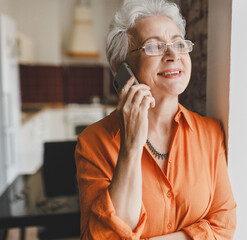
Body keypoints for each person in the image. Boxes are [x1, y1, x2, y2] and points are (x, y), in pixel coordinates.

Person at [75, 0, 236, 239]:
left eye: (179, 44)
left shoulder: (211, 133)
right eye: (153, 47)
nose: (173, 54)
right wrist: (130, 149)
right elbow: (103, 236)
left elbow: (223, 227)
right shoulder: (94, 142)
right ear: (122, 68)